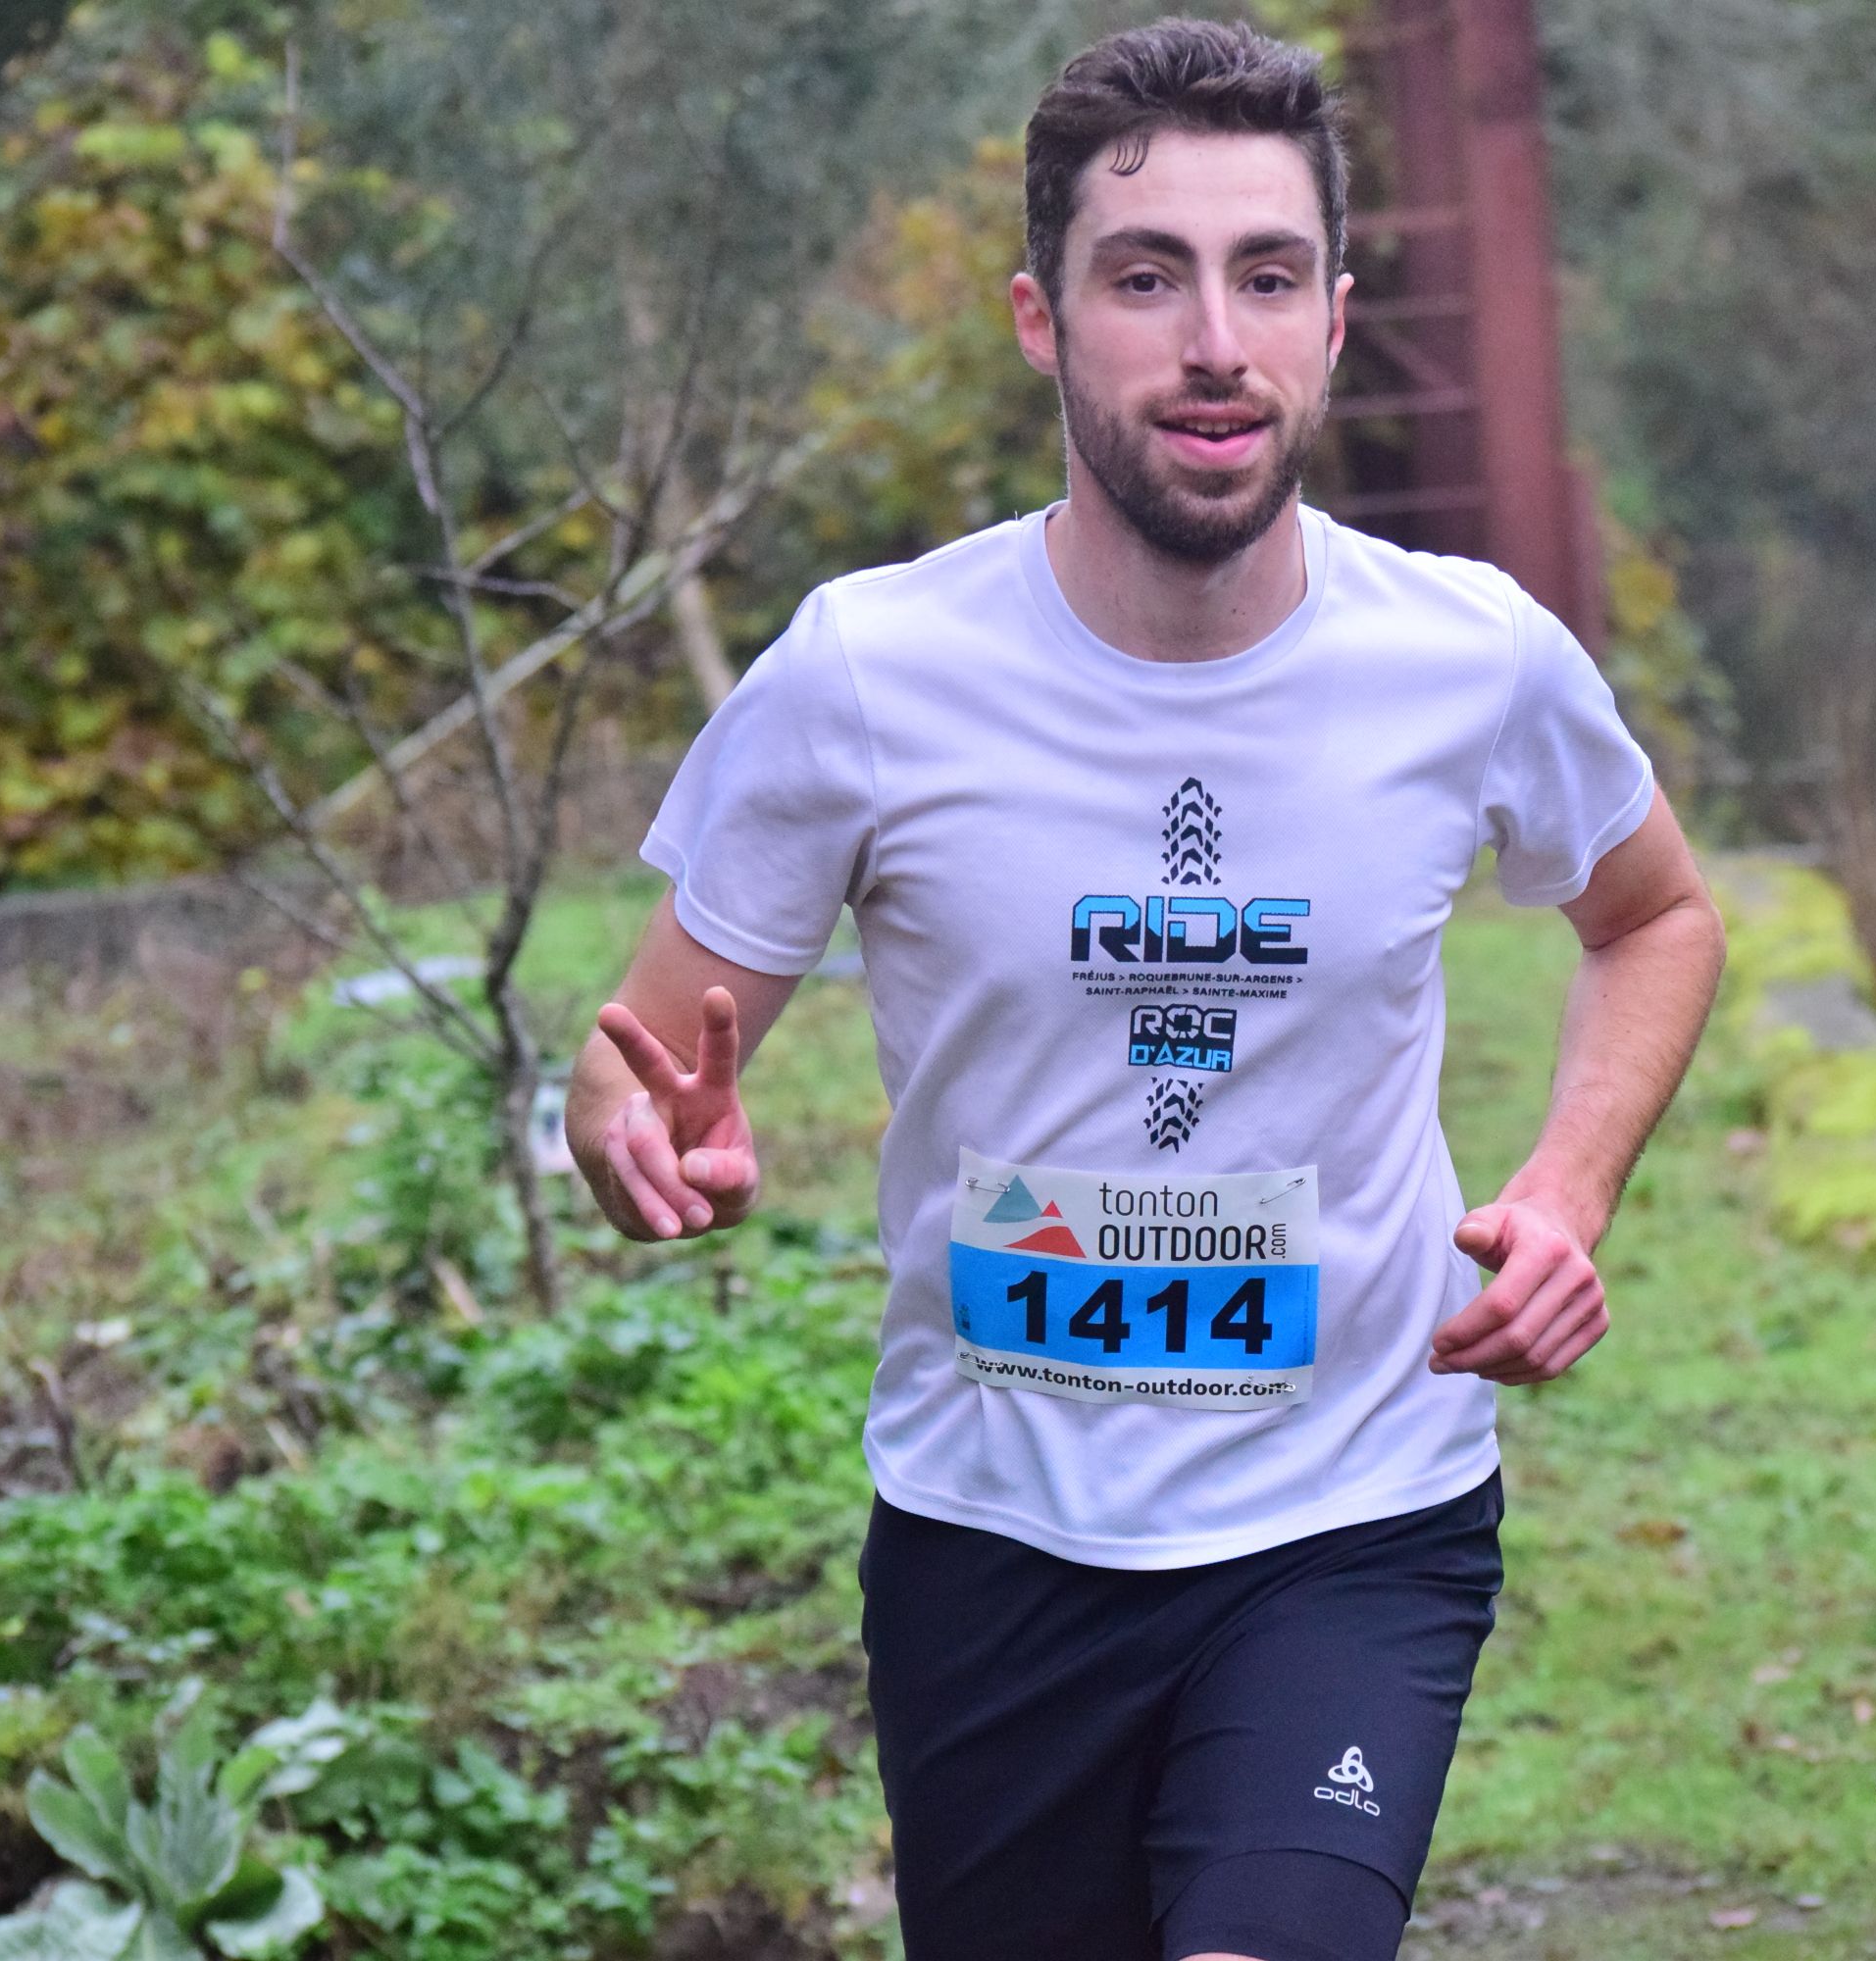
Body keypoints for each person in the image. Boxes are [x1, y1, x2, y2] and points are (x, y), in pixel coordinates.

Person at [565, 18, 1728, 1960]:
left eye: (1266, 277)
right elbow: (628, 1073)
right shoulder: (867, 674)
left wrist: (1567, 1189)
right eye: (1144, 277)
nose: (1213, 341)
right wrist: (630, 1144)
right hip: (989, 1544)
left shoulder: (1470, 658)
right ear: (1041, 321)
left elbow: (1656, 916)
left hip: (1351, 1522)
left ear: (1333, 320)